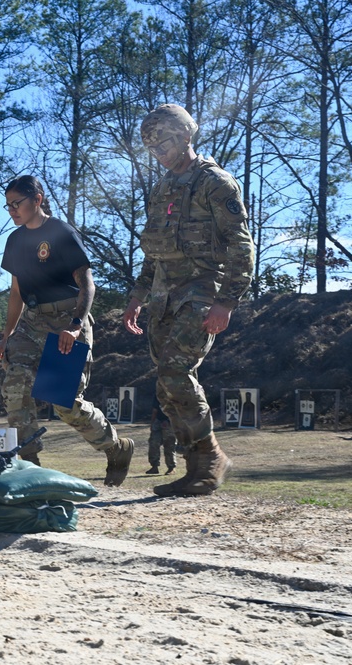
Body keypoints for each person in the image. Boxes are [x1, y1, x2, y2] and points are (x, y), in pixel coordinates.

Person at [122, 104, 254, 496]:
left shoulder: (216, 183)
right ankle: (196, 464)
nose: (158, 152)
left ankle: (210, 458)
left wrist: (227, 302)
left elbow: (241, 246)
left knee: (176, 374)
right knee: (166, 387)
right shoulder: (163, 188)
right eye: (151, 147)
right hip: (163, 298)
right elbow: (154, 251)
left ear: (184, 136)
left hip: (201, 294)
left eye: (162, 143)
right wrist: (136, 298)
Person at [0, 175, 134, 486]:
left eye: (17, 203)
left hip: (67, 320)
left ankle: (115, 446)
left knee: (63, 403)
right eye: (8, 205)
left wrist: (75, 326)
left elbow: (87, 284)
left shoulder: (61, 232)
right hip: (32, 323)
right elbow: (16, 293)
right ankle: (27, 466)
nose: (12, 210)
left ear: (37, 200)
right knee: (15, 386)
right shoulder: (15, 241)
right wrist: (6, 335)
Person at [146, 403, 177, 475]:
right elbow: (155, 410)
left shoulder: (173, 394)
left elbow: (177, 410)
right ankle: (154, 466)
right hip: (158, 421)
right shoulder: (158, 394)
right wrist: (152, 423)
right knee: (153, 443)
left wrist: (169, 421)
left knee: (169, 445)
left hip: (170, 422)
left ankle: (171, 468)